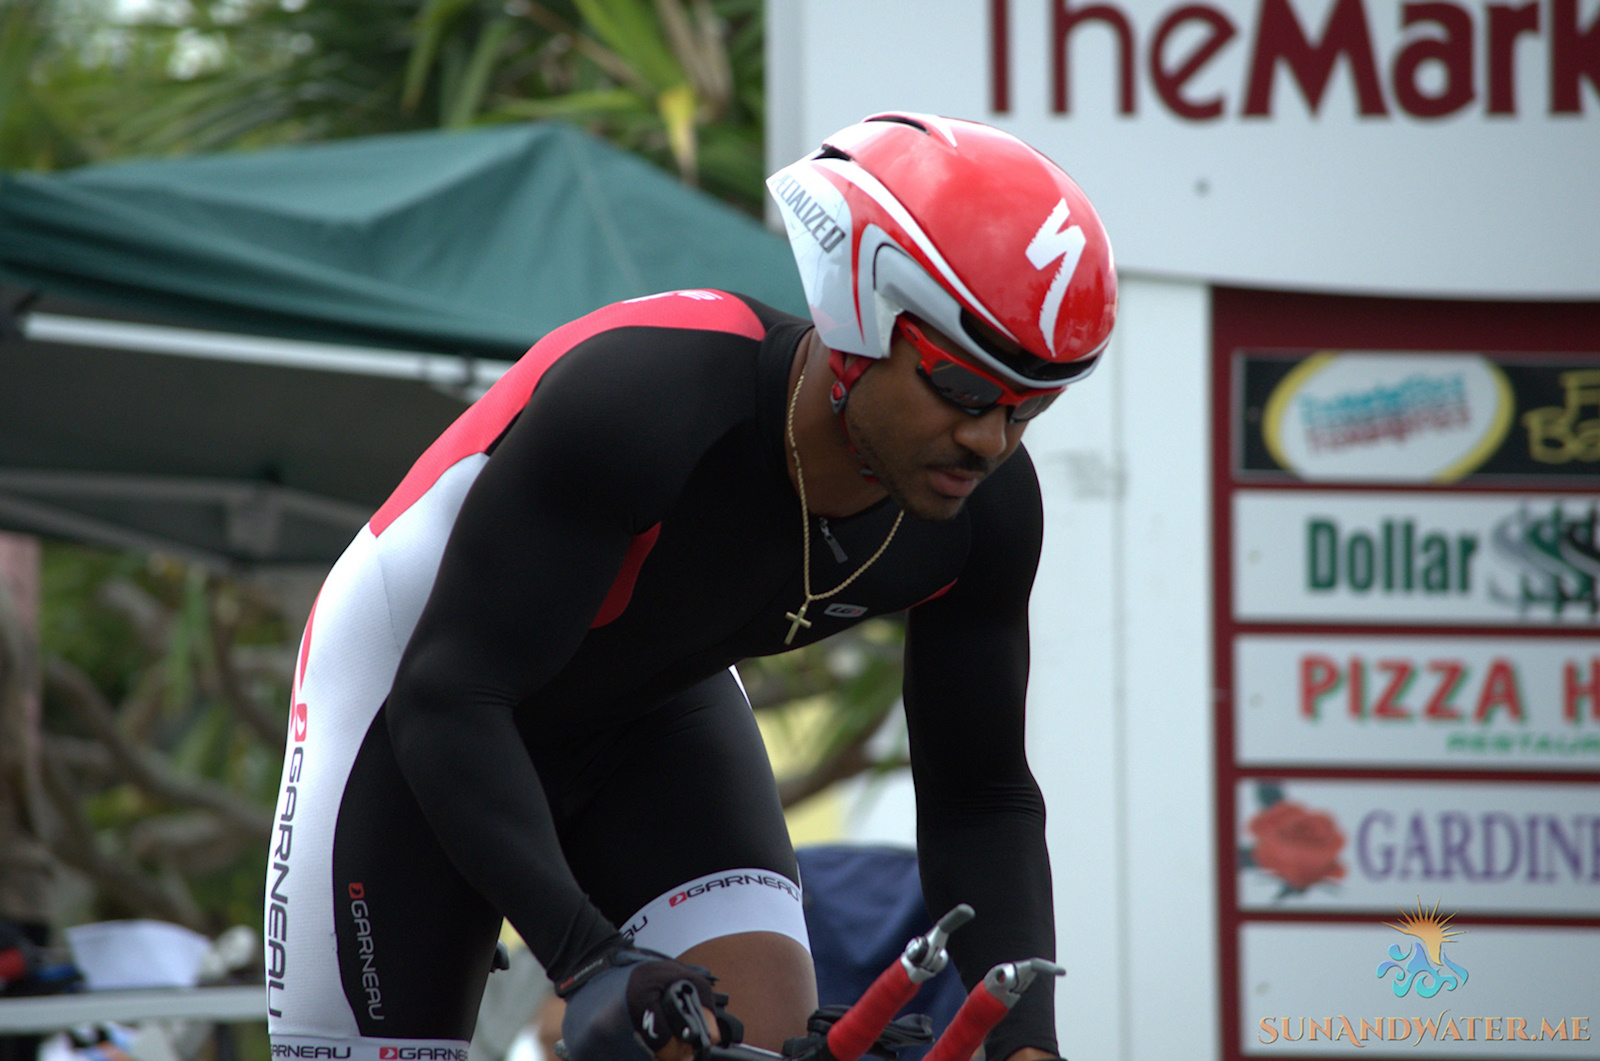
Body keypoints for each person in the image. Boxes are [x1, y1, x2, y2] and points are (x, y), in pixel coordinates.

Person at [263, 111, 1116, 1061]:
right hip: (413, 695)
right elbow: (447, 696)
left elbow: (981, 792)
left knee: (756, 1041)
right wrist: (590, 960)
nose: (989, 442)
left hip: (650, 711)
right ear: (859, 317)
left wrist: (1024, 1040)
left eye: (1029, 406)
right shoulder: (649, 398)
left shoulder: (988, 513)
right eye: (962, 388)